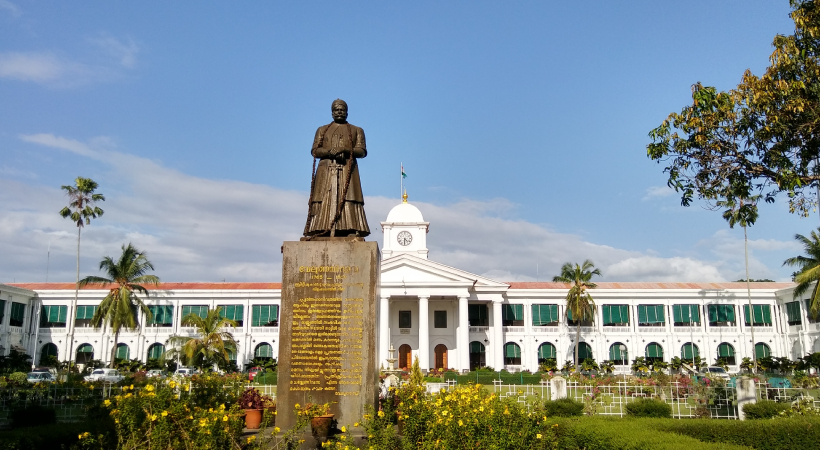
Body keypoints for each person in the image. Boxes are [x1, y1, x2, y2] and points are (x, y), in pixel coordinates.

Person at [303, 99, 370, 238]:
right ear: (332, 112)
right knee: (322, 197)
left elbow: (362, 151)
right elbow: (315, 151)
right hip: (325, 170)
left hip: (347, 169)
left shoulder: (357, 130)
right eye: (336, 110)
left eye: (342, 109)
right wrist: (329, 152)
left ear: (347, 112)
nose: (339, 112)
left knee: (349, 197)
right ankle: (320, 228)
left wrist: (345, 150)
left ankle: (351, 227)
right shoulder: (322, 130)